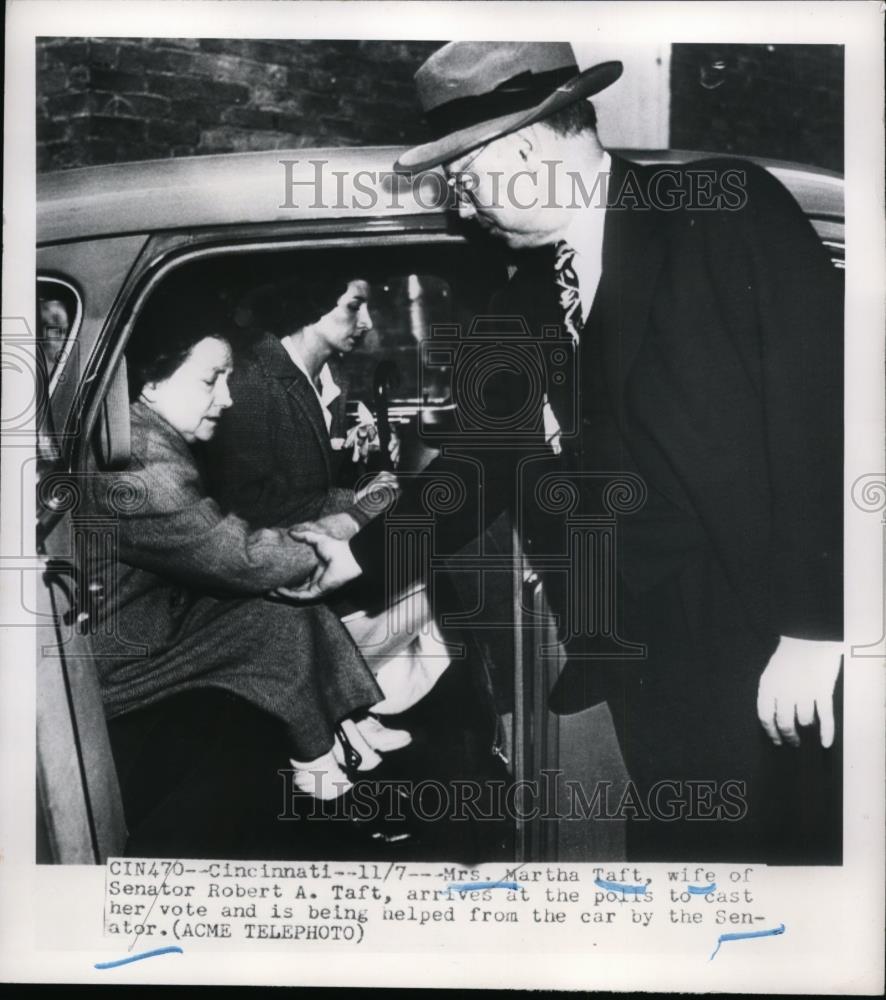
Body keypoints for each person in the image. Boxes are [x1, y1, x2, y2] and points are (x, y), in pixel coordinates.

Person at [394, 41, 843, 861]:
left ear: (526, 150)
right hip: (641, 653)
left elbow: (830, 413)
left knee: (778, 873)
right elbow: (482, 463)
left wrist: (817, 629)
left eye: (463, 185)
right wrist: (351, 559)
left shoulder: (722, 208)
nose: (461, 212)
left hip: (761, 635)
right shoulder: (526, 291)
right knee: (684, 859)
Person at [87, 292, 410, 857]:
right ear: (149, 383)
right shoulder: (140, 466)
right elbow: (239, 558)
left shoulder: (150, 435)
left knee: (288, 607)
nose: (229, 398)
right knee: (274, 623)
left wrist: (348, 515)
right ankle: (323, 777)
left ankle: (345, 725)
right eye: (212, 380)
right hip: (120, 660)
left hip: (151, 619)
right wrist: (356, 522)